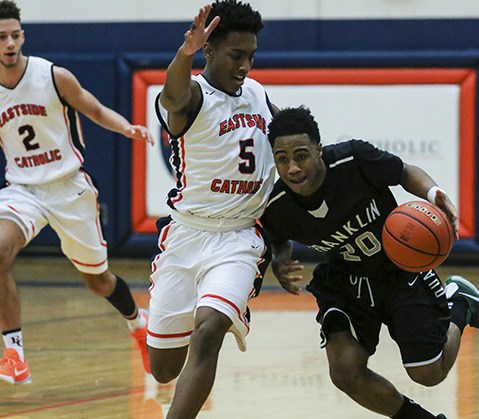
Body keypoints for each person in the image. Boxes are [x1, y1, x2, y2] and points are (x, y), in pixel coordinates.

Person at [260, 106, 479, 419]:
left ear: (319, 150)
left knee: (428, 374)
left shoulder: (354, 160)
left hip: (398, 271)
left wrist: (433, 193)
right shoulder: (276, 204)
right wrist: (280, 261)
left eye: (301, 155)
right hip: (346, 282)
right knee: (345, 372)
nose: (293, 167)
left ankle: (460, 304)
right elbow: (276, 236)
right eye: (282, 159)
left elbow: (404, 172)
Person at [0, 0, 154, 385]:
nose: (9, 43)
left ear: (23, 36)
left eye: (15, 35)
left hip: (68, 187)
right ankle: (14, 354)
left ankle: (138, 323)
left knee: (98, 280)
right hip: (23, 190)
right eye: (1, 37)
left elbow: (97, 110)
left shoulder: (53, 76)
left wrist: (127, 128)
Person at [148, 2, 276, 417]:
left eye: (251, 56)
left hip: (239, 237)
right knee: (163, 368)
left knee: (209, 331)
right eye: (236, 56)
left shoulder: (258, 94)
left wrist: (285, 247)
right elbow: (172, 95)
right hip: (186, 236)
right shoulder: (195, 95)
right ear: (210, 51)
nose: (245, 65)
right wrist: (183, 54)